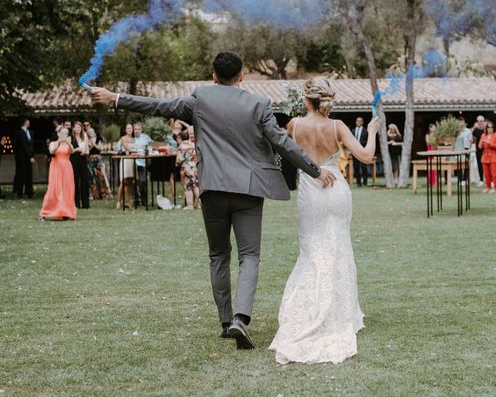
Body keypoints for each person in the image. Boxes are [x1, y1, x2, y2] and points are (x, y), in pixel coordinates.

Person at [89, 51, 335, 351]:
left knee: (218, 255)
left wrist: (114, 97)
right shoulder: (259, 105)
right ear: (242, 76)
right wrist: (315, 170)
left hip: (212, 190)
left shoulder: (199, 100)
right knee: (250, 256)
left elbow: (156, 106)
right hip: (248, 191)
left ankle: (225, 320)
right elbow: (282, 143)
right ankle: (241, 319)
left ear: (214, 75)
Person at [269, 77, 380, 365]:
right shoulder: (338, 127)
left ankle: (309, 309)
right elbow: (367, 156)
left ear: (306, 100)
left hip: (312, 192)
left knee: (312, 251)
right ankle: (341, 312)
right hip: (337, 192)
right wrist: (371, 131)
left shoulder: (294, 125)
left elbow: (281, 150)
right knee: (339, 247)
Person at [40, 127, 76, 221]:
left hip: (67, 168)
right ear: (58, 134)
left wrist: (68, 143)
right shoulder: (53, 143)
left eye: (66, 133)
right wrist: (59, 143)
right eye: (62, 133)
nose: (64, 135)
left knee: (66, 190)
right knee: (54, 189)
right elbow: (51, 152)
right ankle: (44, 212)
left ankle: (65, 213)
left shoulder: (68, 144)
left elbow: (72, 151)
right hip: (56, 167)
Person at [175, 130, 200, 209]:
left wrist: (177, 163)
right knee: (195, 185)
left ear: (180, 138)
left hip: (186, 168)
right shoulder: (195, 144)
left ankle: (190, 205)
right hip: (195, 167)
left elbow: (179, 159)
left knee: (188, 187)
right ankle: (200, 204)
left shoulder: (182, 145)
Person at [70, 121, 91, 209]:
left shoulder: (85, 136)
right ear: (73, 128)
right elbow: (69, 151)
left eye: (79, 127)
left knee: (85, 181)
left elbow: (87, 150)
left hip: (82, 159)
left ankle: (85, 204)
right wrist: (77, 149)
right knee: (75, 181)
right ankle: (76, 204)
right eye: (76, 127)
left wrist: (85, 151)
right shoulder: (70, 138)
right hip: (74, 159)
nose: (78, 129)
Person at [13, 116, 35, 199]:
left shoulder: (30, 132)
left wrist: (32, 155)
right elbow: (23, 145)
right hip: (21, 158)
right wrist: (30, 156)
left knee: (29, 175)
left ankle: (29, 192)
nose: (29, 123)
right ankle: (19, 193)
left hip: (29, 157)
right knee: (21, 175)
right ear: (25, 122)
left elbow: (31, 145)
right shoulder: (19, 133)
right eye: (28, 121)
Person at [116, 123, 136, 209]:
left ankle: (127, 202)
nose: (129, 130)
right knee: (123, 181)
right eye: (128, 128)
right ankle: (118, 201)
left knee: (130, 181)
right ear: (125, 130)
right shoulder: (123, 138)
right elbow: (128, 148)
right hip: (125, 160)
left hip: (132, 160)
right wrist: (137, 150)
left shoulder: (134, 139)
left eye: (131, 128)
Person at [133, 122, 152, 207]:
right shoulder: (130, 138)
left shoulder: (145, 137)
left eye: (138, 129)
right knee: (133, 182)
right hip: (131, 163)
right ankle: (136, 200)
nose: (136, 131)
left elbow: (152, 145)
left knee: (143, 181)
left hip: (142, 163)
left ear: (141, 130)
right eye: (135, 129)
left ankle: (144, 200)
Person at [479, 120, 496, 193]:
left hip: (493, 156)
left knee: (494, 173)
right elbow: (479, 146)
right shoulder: (483, 135)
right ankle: (488, 187)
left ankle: (494, 187)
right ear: (486, 128)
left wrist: (489, 143)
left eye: (491, 127)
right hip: (485, 156)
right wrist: (482, 144)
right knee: (486, 174)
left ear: (493, 128)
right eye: (488, 127)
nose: (490, 129)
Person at [351, 117, 369, 186]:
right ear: (356, 122)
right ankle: (358, 182)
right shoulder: (352, 131)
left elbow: (367, 142)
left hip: (363, 151)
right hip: (355, 151)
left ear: (362, 122)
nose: (358, 122)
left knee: (364, 167)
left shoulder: (366, 131)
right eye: (357, 121)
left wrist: (359, 143)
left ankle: (365, 182)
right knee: (356, 167)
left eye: (360, 121)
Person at [472, 115, 486, 184]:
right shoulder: (475, 130)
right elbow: (471, 137)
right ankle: (481, 179)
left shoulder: (486, 129)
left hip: (487, 149)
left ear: (484, 121)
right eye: (478, 121)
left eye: (481, 121)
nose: (480, 122)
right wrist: (473, 127)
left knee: (487, 164)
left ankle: (488, 178)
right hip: (479, 149)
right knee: (480, 165)